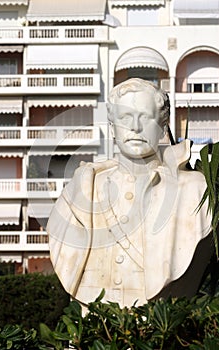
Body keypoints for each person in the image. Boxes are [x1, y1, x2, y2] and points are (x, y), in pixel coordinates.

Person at [47, 78, 212, 308]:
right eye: (125, 117)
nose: (135, 127)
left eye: (145, 117)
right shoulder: (78, 193)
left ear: (163, 127)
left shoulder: (195, 191)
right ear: (112, 127)